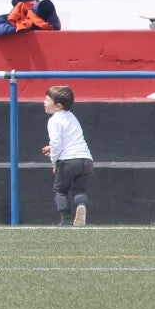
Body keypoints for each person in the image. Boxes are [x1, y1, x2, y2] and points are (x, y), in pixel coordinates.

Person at [41, 84, 93, 226]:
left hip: (68, 161)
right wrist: (52, 147)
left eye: (47, 100)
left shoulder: (54, 120)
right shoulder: (72, 117)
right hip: (86, 160)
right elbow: (70, 137)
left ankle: (65, 219)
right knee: (80, 190)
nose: (44, 102)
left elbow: (57, 143)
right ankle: (81, 206)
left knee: (59, 190)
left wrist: (54, 162)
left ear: (58, 106)